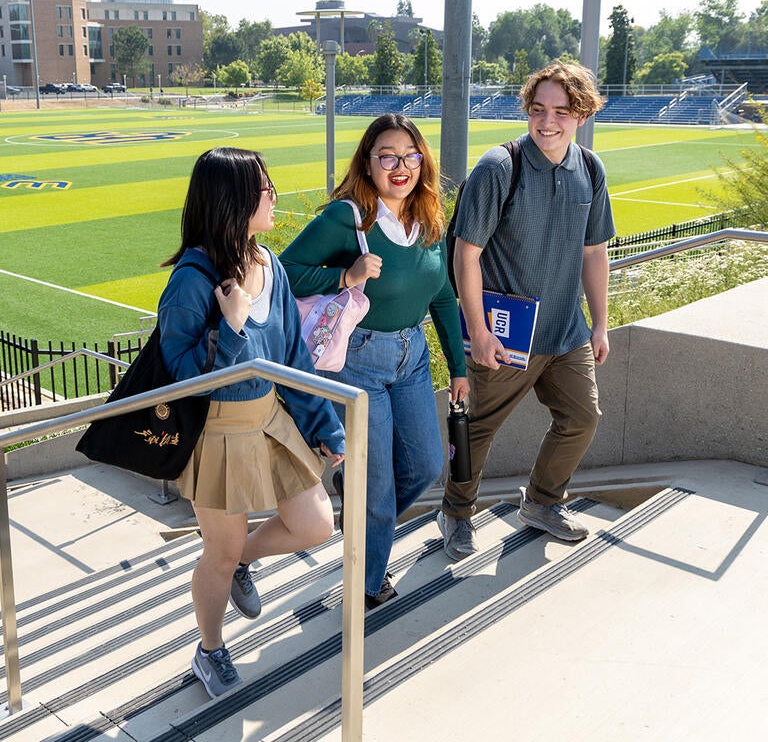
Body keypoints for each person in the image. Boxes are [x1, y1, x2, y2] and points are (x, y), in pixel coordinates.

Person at [158, 147, 345, 698]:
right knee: (218, 551)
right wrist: (232, 329)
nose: (275, 196)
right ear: (234, 200)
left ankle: (242, 561)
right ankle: (209, 649)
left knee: (316, 525)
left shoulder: (270, 264)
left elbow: (292, 359)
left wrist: (325, 426)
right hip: (216, 434)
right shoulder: (192, 282)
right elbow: (181, 382)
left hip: (270, 419)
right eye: (265, 189)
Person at [280, 114, 470, 609]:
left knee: (427, 465)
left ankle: (365, 516)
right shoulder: (348, 218)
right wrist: (344, 276)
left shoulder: (429, 216)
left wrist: (459, 367)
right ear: (368, 163)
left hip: (412, 358)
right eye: (387, 155)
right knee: (379, 489)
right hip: (359, 360)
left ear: (422, 161)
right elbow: (285, 274)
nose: (400, 166)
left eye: (410, 155)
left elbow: (444, 296)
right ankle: (365, 585)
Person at [438, 60, 615, 561]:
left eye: (562, 111)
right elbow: (465, 253)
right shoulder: (500, 166)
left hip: (567, 333)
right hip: (506, 333)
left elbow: (593, 252)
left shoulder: (591, 168)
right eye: (538, 110)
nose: (547, 121)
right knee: (476, 430)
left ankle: (541, 502)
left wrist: (600, 323)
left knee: (583, 418)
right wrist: (478, 330)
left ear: (582, 114)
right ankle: (454, 513)